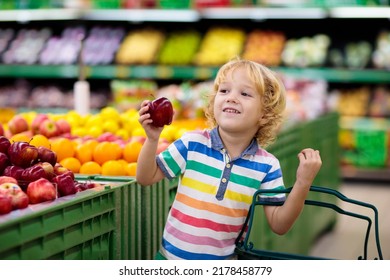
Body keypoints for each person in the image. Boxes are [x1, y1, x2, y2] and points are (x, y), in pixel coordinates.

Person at [136, 57, 322, 260]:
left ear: (265, 114)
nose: (231, 97)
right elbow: (145, 177)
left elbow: (279, 224)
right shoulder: (192, 144)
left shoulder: (267, 166)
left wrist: (303, 182)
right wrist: (152, 139)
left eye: (245, 93)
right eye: (224, 91)